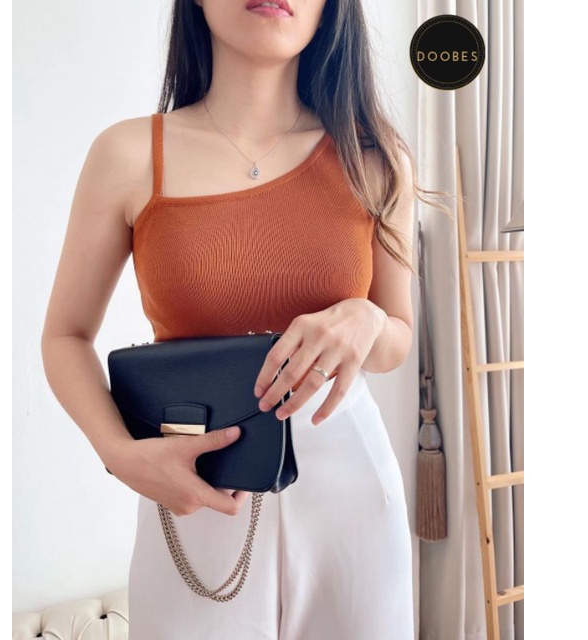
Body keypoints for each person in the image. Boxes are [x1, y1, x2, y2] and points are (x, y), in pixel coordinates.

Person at [41, 0, 420, 637]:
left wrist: (367, 320)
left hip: (349, 484)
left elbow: (397, 336)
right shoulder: (129, 154)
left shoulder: (376, 158)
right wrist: (119, 453)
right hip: (194, 479)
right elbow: (65, 335)